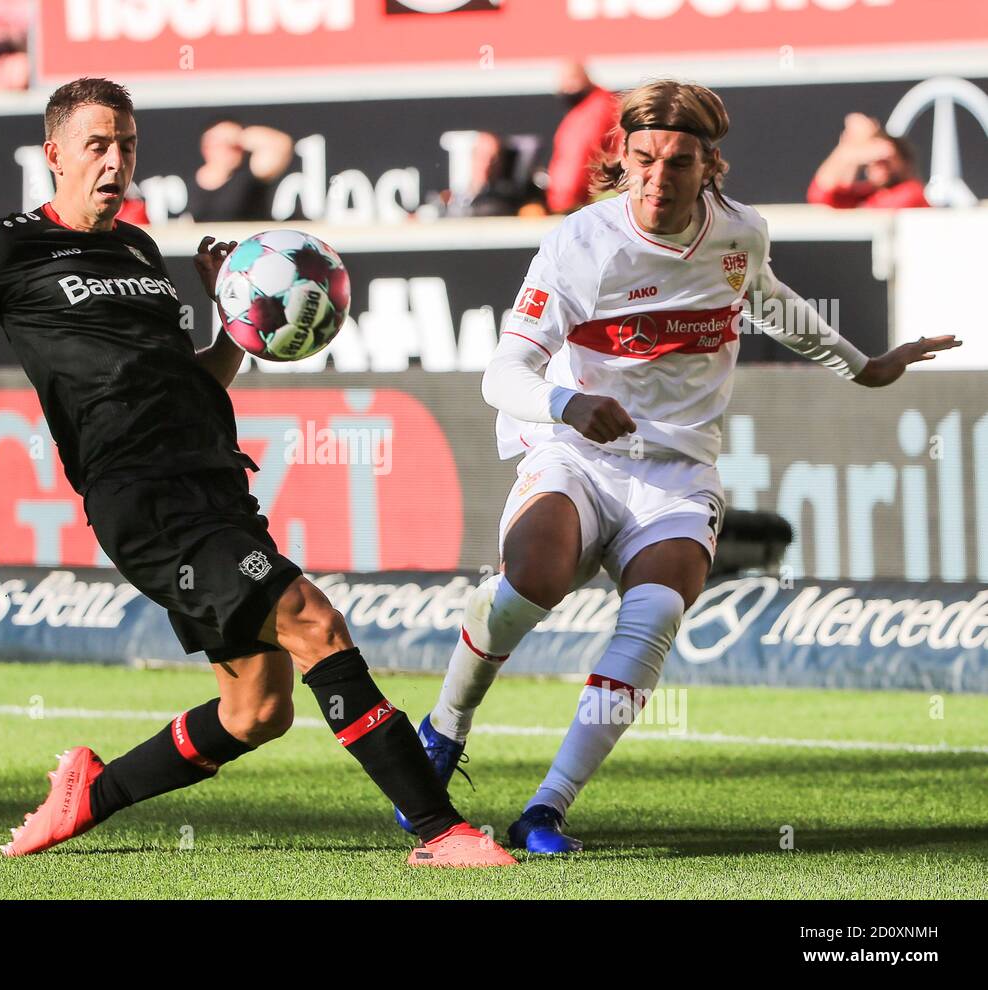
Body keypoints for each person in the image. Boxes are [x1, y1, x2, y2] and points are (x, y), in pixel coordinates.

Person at [0, 77, 513, 870]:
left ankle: (91, 793)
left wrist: (235, 326)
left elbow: (191, 380)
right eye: (97, 144)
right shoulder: (4, 248)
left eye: (126, 144)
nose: (114, 161)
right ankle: (441, 830)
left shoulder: (138, 248)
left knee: (258, 710)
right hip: (142, 494)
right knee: (314, 621)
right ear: (53, 153)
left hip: (213, 479)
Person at [396, 80, 959, 854]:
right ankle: (446, 729)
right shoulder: (581, 244)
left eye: (680, 161)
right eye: (645, 158)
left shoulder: (738, 234)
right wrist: (565, 405)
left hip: (677, 470)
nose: (660, 176)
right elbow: (502, 374)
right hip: (576, 449)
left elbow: (767, 301)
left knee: (656, 615)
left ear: (710, 166)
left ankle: (547, 809)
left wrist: (863, 367)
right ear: (621, 159)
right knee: (534, 579)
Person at [807, 113, 929, 209]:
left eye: (885, 160)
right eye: (873, 160)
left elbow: (879, 213)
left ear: (906, 163)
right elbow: (820, 195)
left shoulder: (912, 193)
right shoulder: (866, 195)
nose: (879, 164)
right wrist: (847, 151)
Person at [544, 61, 620, 214]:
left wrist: (565, 203)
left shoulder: (593, 112)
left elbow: (580, 157)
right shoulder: (589, 109)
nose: (566, 88)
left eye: (572, 80)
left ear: (585, 79)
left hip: (588, 204)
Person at [185, 119, 293, 222]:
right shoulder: (188, 184)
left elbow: (281, 144)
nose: (232, 151)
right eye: (221, 144)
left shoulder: (248, 179)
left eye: (235, 146)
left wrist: (238, 136)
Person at [438, 131, 546, 218]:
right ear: (472, 158)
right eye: (481, 157)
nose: (487, 164)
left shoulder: (510, 195)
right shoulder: (454, 196)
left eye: (492, 159)